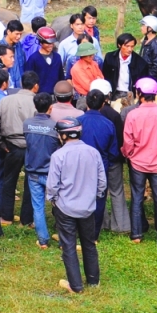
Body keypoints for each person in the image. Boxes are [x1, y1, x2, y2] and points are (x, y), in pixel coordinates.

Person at [47, 118, 106, 294]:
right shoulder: (93, 152)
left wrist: (54, 200)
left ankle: (76, 285)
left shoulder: (58, 155)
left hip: (65, 208)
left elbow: (52, 186)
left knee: (69, 246)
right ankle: (94, 281)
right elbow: (102, 181)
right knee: (89, 243)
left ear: (63, 135)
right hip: (88, 208)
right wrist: (93, 196)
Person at [123, 77, 157, 245]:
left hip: (137, 163)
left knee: (137, 196)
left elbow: (128, 141)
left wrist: (128, 154)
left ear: (139, 94)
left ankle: (136, 234)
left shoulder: (132, 115)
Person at [79, 88, 122, 237]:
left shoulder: (78, 121)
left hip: (80, 166)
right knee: (99, 198)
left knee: (79, 195)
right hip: (100, 167)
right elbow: (114, 151)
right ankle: (94, 234)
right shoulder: (108, 124)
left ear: (86, 102)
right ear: (103, 104)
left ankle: (79, 230)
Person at [23, 92, 60, 248]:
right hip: (52, 172)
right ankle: (64, 236)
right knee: (60, 204)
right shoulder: (55, 126)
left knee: (38, 206)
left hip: (33, 171)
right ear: (50, 108)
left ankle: (43, 240)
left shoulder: (27, 124)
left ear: (35, 106)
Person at [102, 33, 148, 98]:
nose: (130, 49)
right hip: (114, 93)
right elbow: (105, 77)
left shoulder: (141, 63)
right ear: (119, 45)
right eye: (127, 46)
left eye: (132, 46)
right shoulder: (110, 58)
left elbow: (143, 82)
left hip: (131, 94)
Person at [24, 26, 62, 94]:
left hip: (55, 95)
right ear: (40, 42)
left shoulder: (57, 57)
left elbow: (61, 77)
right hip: (39, 96)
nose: (51, 45)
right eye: (48, 43)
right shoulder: (33, 59)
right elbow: (28, 80)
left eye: (52, 42)